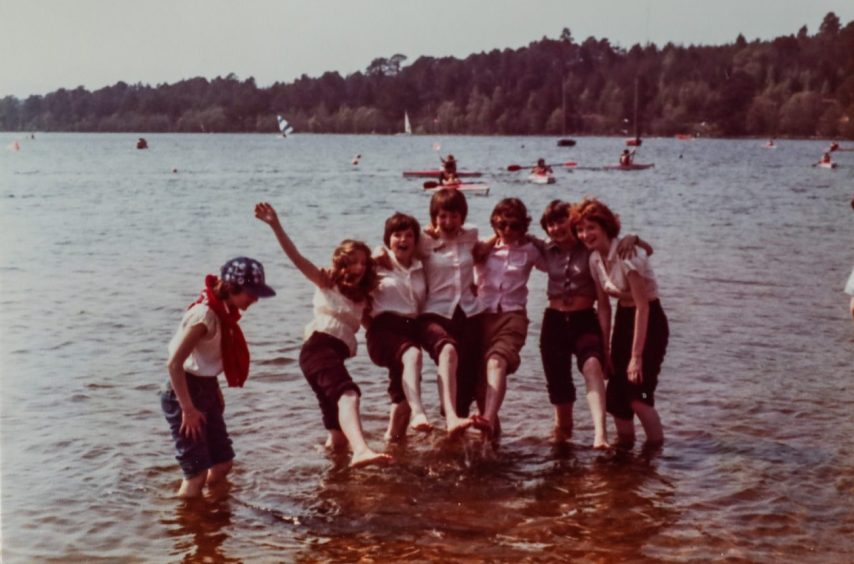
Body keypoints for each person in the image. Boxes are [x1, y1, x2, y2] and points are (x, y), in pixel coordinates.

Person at [254, 202, 391, 467]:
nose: (359, 267)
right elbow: (296, 257)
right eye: (353, 262)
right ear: (341, 262)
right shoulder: (325, 282)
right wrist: (275, 225)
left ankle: (329, 480)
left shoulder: (361, 298)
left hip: (330, 356)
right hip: (317, 348)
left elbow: (385, 263)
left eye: (363, 263)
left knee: (337, 437)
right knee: (349, 393)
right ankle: (361, 450)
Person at [538, 200, 651, 448]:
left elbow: (603, 302)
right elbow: (512, 239)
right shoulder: (545, 249)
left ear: (572, 222)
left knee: (592, 366)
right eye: (550, 224)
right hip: (553, 322)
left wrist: (634, 237)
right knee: (559, 389)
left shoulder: (590, 248)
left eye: (560, 222)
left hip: (583, 319)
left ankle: (600, 435)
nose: (556, 228)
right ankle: (562, 438)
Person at [161, 257, 276, 498]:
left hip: (206, 388)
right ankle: (188, 524)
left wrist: (214, 391)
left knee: (223, 464)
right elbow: (174, 364)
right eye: (251, 293)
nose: (255, 299)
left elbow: (208, 360)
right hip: (183, 392)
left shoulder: (225, 312)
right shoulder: (204, 316)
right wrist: (188, 409)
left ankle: (213, 517)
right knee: (196, 474)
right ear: (232, 288)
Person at [576, 198, 669, 447]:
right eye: (581, 229)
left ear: (605, 227)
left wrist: (636, 356)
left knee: (637, 395)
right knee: (616, 397)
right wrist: (605, 350)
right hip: (624, 320)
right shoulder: (595, 260)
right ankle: (624, 456)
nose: (586, 234)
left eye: (591, 228)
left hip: (650, 321)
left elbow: (643, 307)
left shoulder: (627, 255)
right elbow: (604, 307)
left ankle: (656, 454)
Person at [470, 198, 544, 439]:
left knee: (496, 361)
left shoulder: (530, 251)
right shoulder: (482, 248)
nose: (507, 230)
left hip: (512, 316)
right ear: (494, 224)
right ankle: (491, 444)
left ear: (523, 226)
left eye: (514, 225)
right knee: (481, 387)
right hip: (481, 317)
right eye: (502, 225)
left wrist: (533, 238)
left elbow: (558, 257)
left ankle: (489, 418)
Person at [416, 188, 483, 437]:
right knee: (447, 350)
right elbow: (397, 247)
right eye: (442, 216)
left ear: (462, 217)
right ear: (434, 217)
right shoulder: (424, 241)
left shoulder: (471, 235)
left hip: (468, 312)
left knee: (467, 375)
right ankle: (452, 417)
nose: (448, 222)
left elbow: (490, 240)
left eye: (454, 216)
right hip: (434, 312)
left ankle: (456, 427)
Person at [366, 212, 432, 440]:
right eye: (397, 235)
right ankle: (419, 412)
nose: (403, 240)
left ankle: (393, 441)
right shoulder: (377, 266)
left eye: (409, 235)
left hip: (411, 328)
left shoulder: (420, 266)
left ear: (416, 240)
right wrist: (373, 258)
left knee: (402, 395)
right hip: (384, 328)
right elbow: (350, 277)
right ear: (387, 239)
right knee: (413, 355)